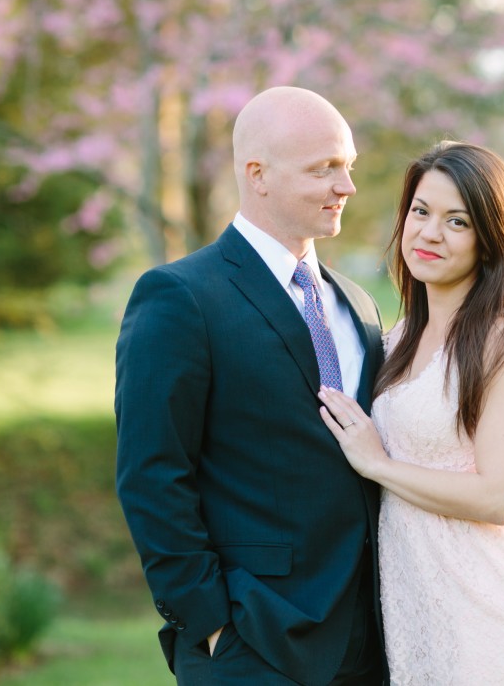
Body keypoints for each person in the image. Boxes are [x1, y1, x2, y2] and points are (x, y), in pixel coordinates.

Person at [115, 86, 386, 685]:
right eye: (325, 169)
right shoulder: (179, 297)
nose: (347, 187)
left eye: (349, 167)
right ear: (256, 175)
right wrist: (209, 622)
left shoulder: (358, 303)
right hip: (250, 642)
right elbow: (152, 474)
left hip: (371, 640)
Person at [319, 141, 504, 685]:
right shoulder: (396, 339)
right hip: (418, 617)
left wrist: (378, 465)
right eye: (420, 211)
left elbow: (496, 498)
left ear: (489, 240)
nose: (429, 233)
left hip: (495, 615)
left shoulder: (501, 339)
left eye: (457, 221)